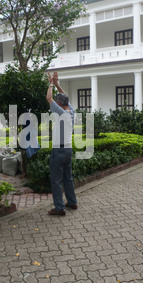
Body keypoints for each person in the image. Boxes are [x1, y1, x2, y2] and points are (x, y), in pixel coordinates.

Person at [46, 71, 78, 216]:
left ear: (59, 103)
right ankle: (72, 202)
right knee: (67, 178)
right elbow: (64, 96)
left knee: (56, 180)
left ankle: (59, 208)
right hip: (68, 150)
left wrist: (51, 83)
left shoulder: (60, 112)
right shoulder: (71, 112)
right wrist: (58, 83)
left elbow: (48, 97)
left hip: (58, 151)